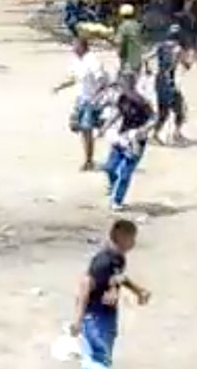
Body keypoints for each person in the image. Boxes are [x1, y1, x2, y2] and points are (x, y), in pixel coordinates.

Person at [69, 219, 151, 369]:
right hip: (95, 316)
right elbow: (85, 286)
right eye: (132, 238)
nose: (134, 243)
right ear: (122, 238)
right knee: (98, 358)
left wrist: (138, 291)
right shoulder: (103, 261)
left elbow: (118, 278)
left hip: (107, 315)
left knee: (101, 356)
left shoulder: (118, 259)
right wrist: (78, 319)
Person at [100, 73, 154, 212]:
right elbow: (117, 113)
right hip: (122, 136)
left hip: (136, 140)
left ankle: (117, 201)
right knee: (110, 167)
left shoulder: (142, 102)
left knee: (125, 173)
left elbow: (153, 119)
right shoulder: (122, 99)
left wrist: (142, 130)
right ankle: (114, 187)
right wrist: (105, 126)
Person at [53, 37, 107, 172]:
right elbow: (74, 79)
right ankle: (88, 158)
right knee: (82, 130)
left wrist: (98, 97)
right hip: (81, 100)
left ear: (82, 47)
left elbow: (102, 79)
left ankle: (89, 160)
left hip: (91, 101)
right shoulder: (77, 61)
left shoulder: (92, 60)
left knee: (87, 129)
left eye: (75, 46)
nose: (73, 49)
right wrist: (60, 86)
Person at [148, 24, 192, 144]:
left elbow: (146, 58)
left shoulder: (159, 46)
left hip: (159, 80)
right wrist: (188, 61)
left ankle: (155, 134)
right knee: (180, 109)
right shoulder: (178, 48)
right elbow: (186, 65)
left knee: (163, 111)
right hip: (169, 81)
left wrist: (148, 70)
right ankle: (176, 134)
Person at [114, 4, 144, 77]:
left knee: (126, 86)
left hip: (128, 62)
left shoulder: (123, 26)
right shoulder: (137, 25)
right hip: (137, 61)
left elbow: (118, 42)